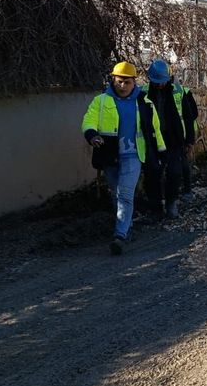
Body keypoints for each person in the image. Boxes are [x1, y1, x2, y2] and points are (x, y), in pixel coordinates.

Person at [82, 61, 166, 256]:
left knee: (125, 193)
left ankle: (120, 235)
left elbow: (155, 130)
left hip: (134, 155)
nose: (122, 86)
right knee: (116, 193)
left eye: (127, 82)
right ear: (113, 79)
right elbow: (88, 120)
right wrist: (92, 135)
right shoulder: (101, 101)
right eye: (119, 81)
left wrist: (161, 152)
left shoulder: (145, 103)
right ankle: (124, 224)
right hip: (110, 155)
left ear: (134, 82)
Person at [141, 59, 199, 220]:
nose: (160, 86)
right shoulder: (143, 93)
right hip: (152, 140)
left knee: (174, 172)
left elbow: (188, 117)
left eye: (163, 82)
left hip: (173, 139)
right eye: (156, 82)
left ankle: (171, 202)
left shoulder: (178, 92)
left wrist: (189, 141)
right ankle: (155, 206)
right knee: (152, 174)